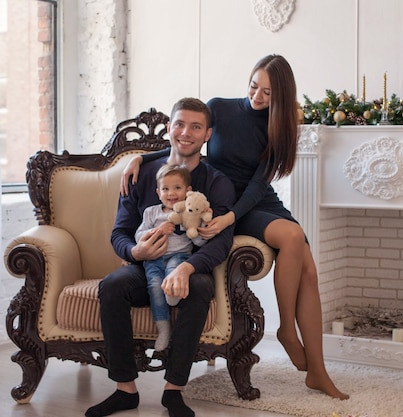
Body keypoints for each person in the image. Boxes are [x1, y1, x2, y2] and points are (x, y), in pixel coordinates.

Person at [120, 55, 348, 400]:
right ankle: (287, 328)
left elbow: (259, 185)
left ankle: (317, 372)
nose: (257, 97)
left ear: (282, 97)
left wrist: (232, 217)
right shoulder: (221, 109)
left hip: (255, 203)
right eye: (254, 86)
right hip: (223, 197)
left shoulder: (282, 126)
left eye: (268, 93)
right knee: (292, 236)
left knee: (309, 272)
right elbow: (186, 144)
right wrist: (142, 157)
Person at [86, 97, 236, 417]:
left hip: (190, 267)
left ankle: (173, 391)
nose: (186, 132)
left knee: (198, 287)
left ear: (207, 134)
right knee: (112, 285)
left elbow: (220, 243)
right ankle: (125, 389)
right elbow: (120, 232)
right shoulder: (141, 174)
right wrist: (134, 251)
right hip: (145, 265)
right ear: (169, 128)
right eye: (179, 124)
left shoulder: (218, 182)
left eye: (196, 127)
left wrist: (187, 266)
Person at [135, 164, 207, 352]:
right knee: (154, 288)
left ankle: (172, 291)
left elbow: (199, 242)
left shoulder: (188, 213)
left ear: (188, 191)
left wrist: (198, 229)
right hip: (153, 260)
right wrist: (157, 230)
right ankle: (164, 329)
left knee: (173, 272)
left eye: (177, 188)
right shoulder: (151, 212)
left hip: (179, 256)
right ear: (158, 192)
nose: (171, 193)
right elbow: (138, 236)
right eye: (165, 189)